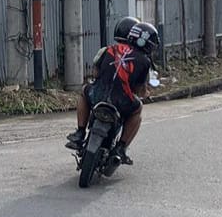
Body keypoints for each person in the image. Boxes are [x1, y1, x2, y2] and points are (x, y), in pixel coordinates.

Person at [65, 17, 157, 165]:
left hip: (98, 96)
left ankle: (80, 132)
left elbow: (95, 73)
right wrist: (145, 93)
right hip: (122, 102)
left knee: (84, 91)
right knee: (137, 109)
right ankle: (121, 148)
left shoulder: (108, 49)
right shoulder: (144, 62)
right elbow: (140, 90)